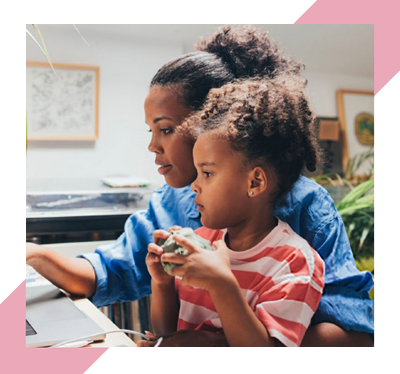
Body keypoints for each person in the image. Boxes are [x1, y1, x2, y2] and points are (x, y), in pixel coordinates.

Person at [26, 24, 375, 346]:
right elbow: (109, 271)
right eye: (150, 130)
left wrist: (214, 342)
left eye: (165, 129)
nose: (152, 146)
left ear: (212, 123)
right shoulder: (171, 203)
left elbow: (353, 336)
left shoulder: (305, 210)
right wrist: (33, 253)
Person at [140, 76, 326, 347]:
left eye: (207, 173)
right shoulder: (204, 242)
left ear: (255, 182)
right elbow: (166, 335)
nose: (194, 185)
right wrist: (162, 284)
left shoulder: (294, 263)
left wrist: (221, 284)